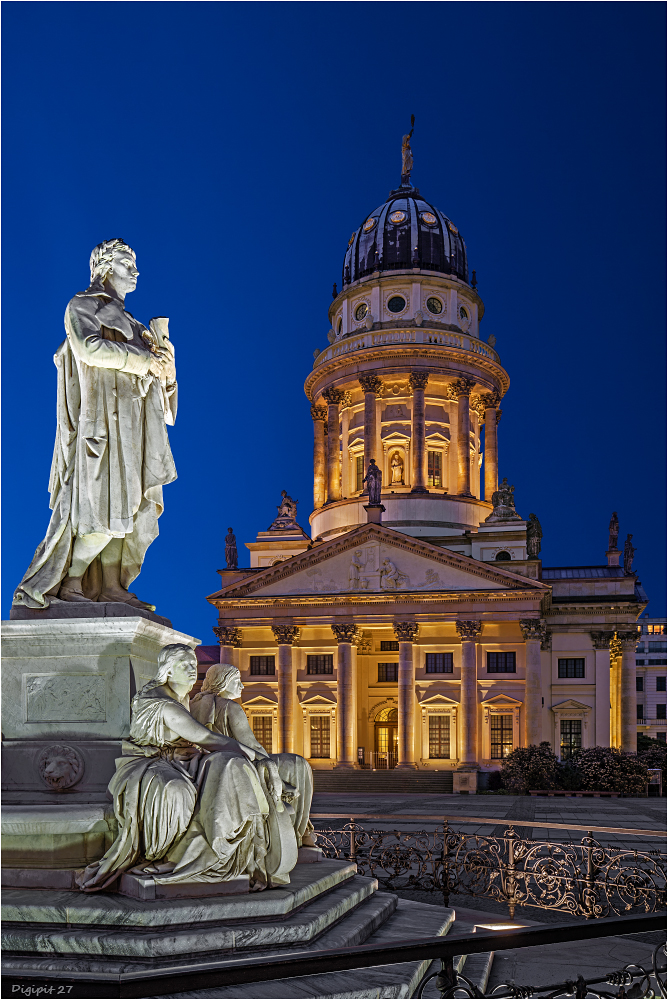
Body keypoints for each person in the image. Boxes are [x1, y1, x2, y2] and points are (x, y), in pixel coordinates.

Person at [13, 239, 176, 613]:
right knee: (101, 509)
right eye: (126, 262)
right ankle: (72, 579)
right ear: (104, 267)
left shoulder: (138, 325)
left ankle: (112, 585)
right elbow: (88, 348)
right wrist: (142, 360)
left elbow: (164, 397)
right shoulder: (82, 306)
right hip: (101, 423)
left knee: (132, 510)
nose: (134, 271)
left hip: (134, 425)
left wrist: (165, 371)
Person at [76, 644, 297, 893]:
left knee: (231, 765)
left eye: (194, 664)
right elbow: (208, 739)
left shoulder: (181, 697)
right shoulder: (165, 705)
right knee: (177, 791)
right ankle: (172, 858)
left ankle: (223, 847)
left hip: (181, 760)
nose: (193, 670)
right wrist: (261, 759)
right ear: (168, 671)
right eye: (185, 665)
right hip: (147, 766)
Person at [190, 663, 316, 853]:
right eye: (237, 681)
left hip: (207, 763)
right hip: (239, 762)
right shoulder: (230, 707)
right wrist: (273, 770)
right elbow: (253, 746)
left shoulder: (192, 704)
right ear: (223, 683)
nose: (242, 686)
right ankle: (299, 833)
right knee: (297, 764)